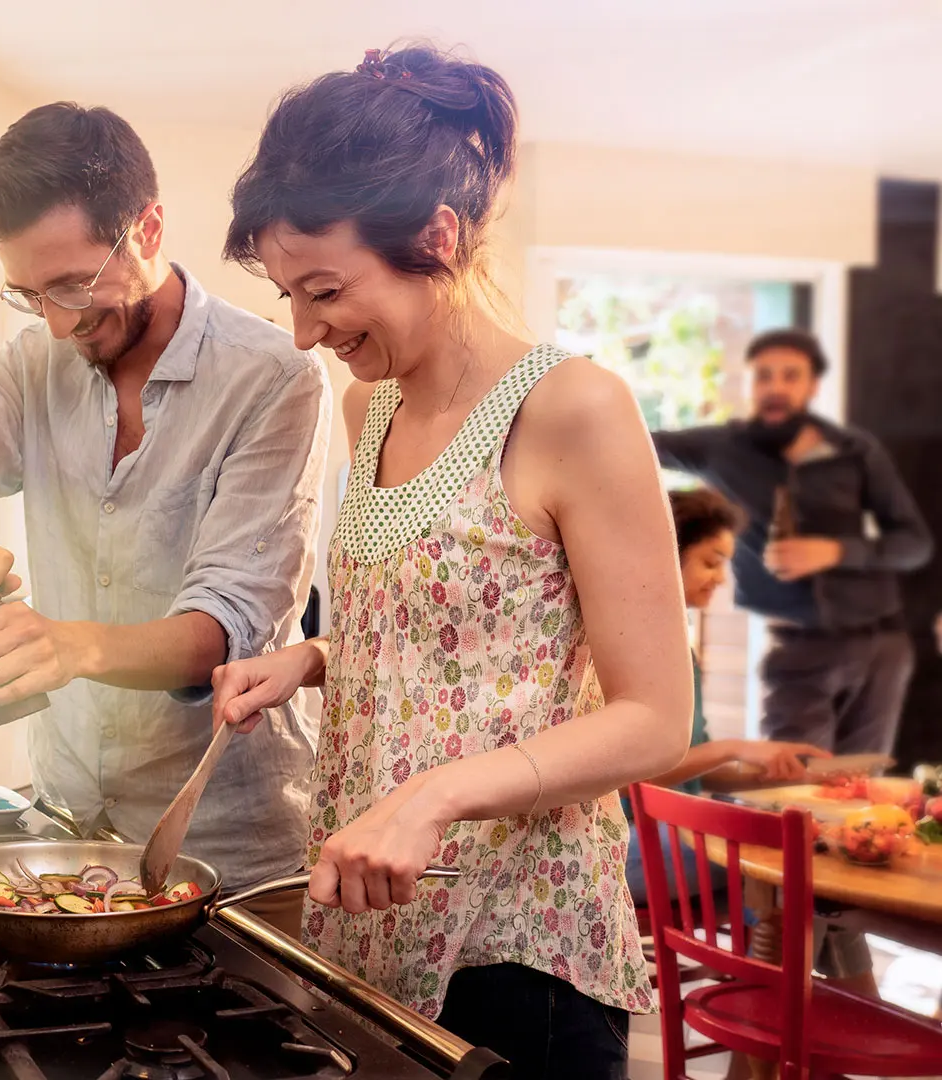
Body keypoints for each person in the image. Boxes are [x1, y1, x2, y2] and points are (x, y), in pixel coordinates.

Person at [210, 45, 693, 1079]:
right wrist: (315, 659)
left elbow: (653, 716)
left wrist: (434, 796)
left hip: (519, 940)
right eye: (291, 295)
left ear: (435, 236)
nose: (304, 331)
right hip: (373, 918)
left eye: (326, 289)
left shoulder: (573, 408)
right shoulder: (367, 401)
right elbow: (465, 631)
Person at [0, 103, 331, 931]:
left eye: (74, 283)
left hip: (235, 852)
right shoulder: (38, 359)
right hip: (67, 830)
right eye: (30, 292)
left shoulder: (276, 377)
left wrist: (68, 645)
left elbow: (230, 627)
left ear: (147, 227)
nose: (60, 320)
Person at [652, 329, 932, 755]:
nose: (775, 386)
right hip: (797, 649)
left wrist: (837, 551)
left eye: (790, 375)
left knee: (861, 792)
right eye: (763, 376)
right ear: (748, 383)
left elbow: (915, 543)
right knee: (791, 786)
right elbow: (634, 445)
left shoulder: (855, 451)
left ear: (812, 386)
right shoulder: (718, 448)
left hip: (883, 645)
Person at [622, 486, 828, 905]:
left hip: (675, 830)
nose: (720, 578)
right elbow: (622, 779)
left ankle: (788, 967)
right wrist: (733, 747)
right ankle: (775, 967)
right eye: (710, 562)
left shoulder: (683, 649)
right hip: (621, 846)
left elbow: (692, 768)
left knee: (818, 848)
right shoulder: (630, 647)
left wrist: (776, 771)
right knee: (808, 858)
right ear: (664, 555)